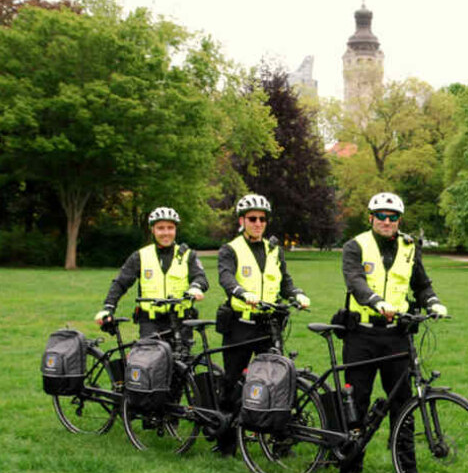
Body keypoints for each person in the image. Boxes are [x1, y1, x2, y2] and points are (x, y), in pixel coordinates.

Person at [338, 192, 448, 473]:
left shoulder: (410, 247)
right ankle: (350, 466)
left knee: (403, 403)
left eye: (394, 217)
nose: (388, 222)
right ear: (371, 217)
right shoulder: (355, 246)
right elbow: (354, 280)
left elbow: (421, 284)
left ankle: (407, 471)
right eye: (382, 216)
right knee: (357, 401)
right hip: (361, 334)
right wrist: (375, 300)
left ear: (400, 219)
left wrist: (433, 301)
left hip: (397, 336)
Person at [214, 193, 311, 456]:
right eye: (252, 219)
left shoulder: (274, 250)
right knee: (233, 382)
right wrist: (241, 293)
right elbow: (225, 277)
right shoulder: (230, 249)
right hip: (241, 325)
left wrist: (296, 294)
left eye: (262, 219)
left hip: (269, 325)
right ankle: (226, 443)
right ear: (242, 220)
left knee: (277, 382)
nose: (258, 223)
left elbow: (284, 281)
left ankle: (280, 440)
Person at [94, 207, 207, 339]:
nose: (166, 232)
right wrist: (108, 308)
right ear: (152, 230)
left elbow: (200, 277)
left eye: (170, 228)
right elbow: (120, 283)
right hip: (151, 323)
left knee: (182, 359)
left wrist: (196, 287)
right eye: (160, 228)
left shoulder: (188, 255)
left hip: (181, 320)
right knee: (150, 357)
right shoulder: (141, 256)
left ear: (175, 229)